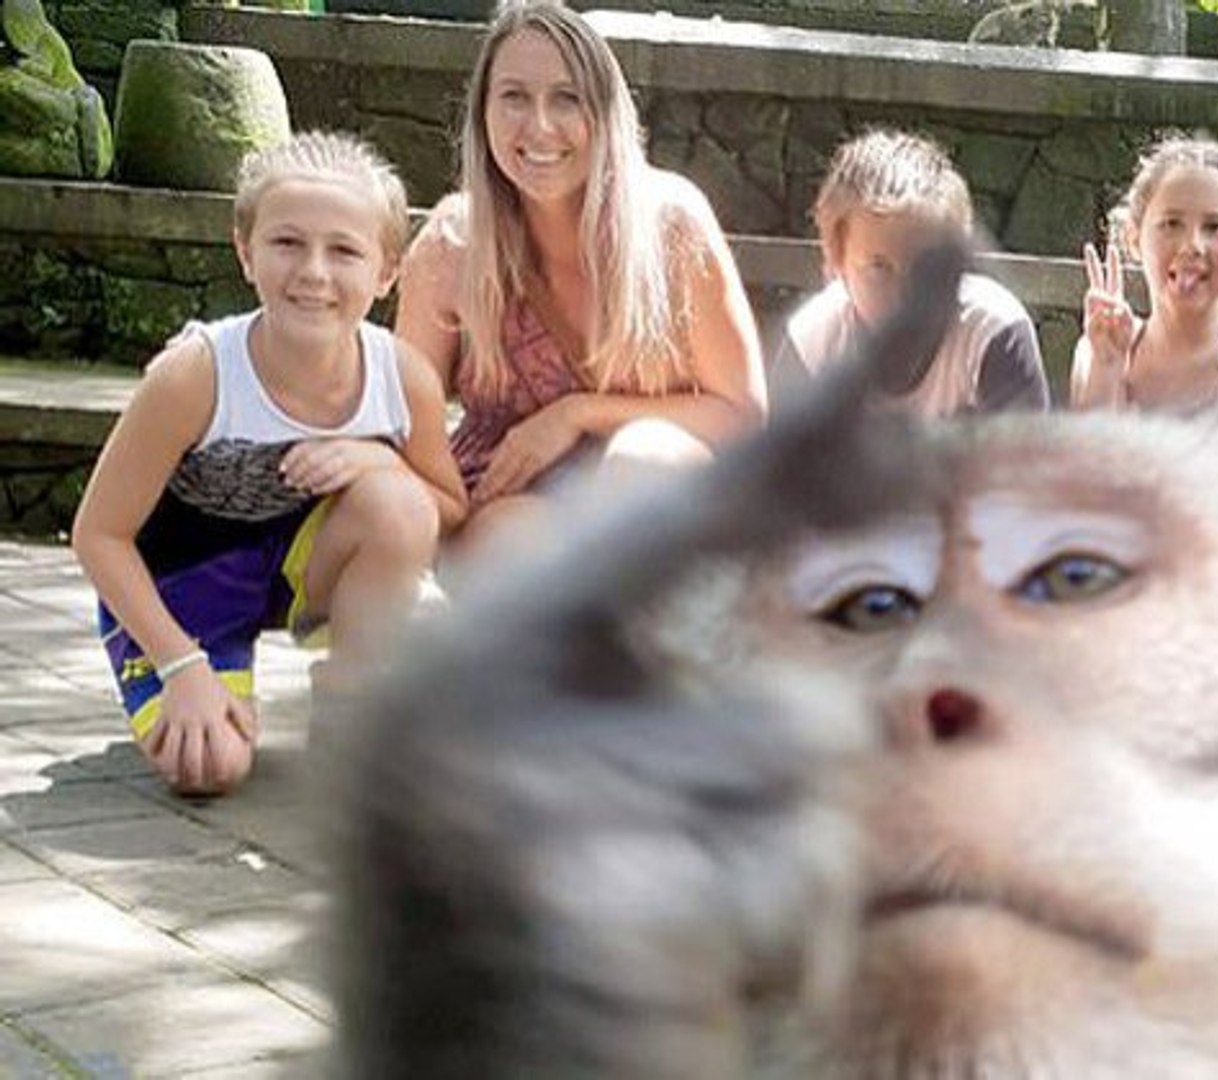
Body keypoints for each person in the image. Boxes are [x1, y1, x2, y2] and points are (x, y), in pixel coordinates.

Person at [71, 131, 467, 797]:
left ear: (387, 271)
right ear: (244, 251)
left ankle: (352, 702)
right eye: (287, 243)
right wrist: (180, 667)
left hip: (298, 573)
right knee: (209, 768)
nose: (313, 271)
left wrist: (378, 460)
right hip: (184, 591)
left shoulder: (402, 378)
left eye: (344, 250)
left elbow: (446, 508)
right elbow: (97, 535)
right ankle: (208, 678)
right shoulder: (194, 376)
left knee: (398, 504)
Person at [396, 0, 765, 545]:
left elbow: (743, 416)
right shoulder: (452, 245)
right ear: (483, 112)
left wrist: (577, 414)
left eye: (566, 99)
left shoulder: (671, 224)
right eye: (515, 97)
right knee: (518, 548)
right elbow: (407, 425)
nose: (540, 126)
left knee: (646, 459)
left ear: (605, 111)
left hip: (657, 493)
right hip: (511, 503)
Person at [767, 128, 1049, 417]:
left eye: (925, 269)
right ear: (836, 264)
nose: (905, 298)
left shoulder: (992, 332)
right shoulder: (812, 342)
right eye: (878, 269)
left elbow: (1028, 458)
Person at [1072, 134, 1218, 412]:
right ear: (1133, 239)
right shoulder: (1095, 350)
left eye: (1214, 227)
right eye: (1171, 224)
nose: (1192, 245)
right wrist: (1106, 371)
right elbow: (1090, 453)